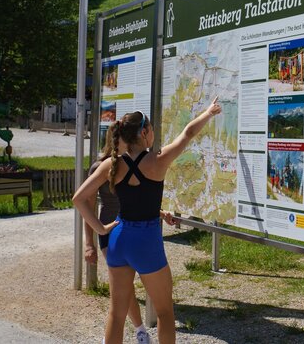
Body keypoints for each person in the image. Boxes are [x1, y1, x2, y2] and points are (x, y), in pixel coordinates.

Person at [73, 99, 222, 344]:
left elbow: (79, 198)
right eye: (151, 129)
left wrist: (101, 229)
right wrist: (208, 112)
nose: (153, 134)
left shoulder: (112, 164)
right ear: (144, 133)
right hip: (146, 242)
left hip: (118, 238)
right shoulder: (157, 161)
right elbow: (188, 133)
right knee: (165, 312)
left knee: (116, 314)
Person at [83, 123, 151, 344]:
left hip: (135, 229)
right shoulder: (100, 167)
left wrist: (160, 213)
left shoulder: (136, 163)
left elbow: (140, 200)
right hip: (110, 232)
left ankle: (137, 332)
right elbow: (87, 205)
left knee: (130, 285)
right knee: (123, 287)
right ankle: (139, 331)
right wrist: (89, 243)